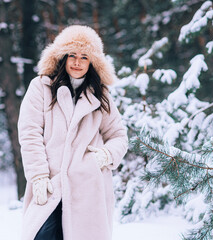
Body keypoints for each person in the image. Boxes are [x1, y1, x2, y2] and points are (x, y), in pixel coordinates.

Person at [17, 25, 128, 240]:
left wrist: (105, 156)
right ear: (62, 57)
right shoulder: (41, 87)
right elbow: (29, 133)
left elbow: (118, 136)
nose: (77, 62)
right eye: (72, 55)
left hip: (87, 189)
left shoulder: (101, 95)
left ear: (92, 61)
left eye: (84, 57)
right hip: (50, 184)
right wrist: (38, 175)